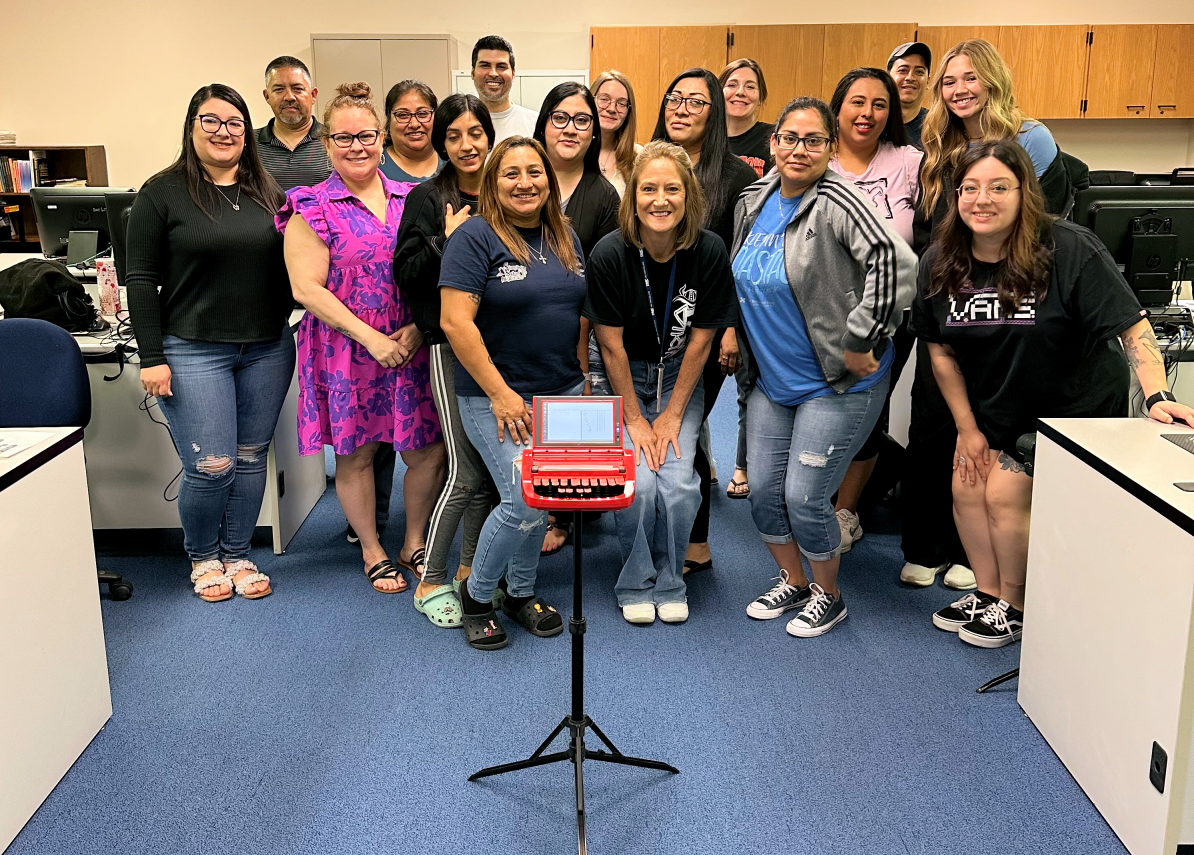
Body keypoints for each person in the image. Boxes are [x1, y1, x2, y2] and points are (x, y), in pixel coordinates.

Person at [911, 140, 1194, 648]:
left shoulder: (1069, 248)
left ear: (1025, 193)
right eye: (970, 188)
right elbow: (941, 353)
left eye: (1000, 187)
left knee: (1002, 493)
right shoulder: (940, 260)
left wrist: (1156, 396)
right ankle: (991, 593)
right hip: (995, 404)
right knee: (965, 486)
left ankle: (1017, 605)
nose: (982, 199)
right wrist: (968, 430)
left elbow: (1133, 328)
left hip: (1070, 410)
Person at [737, 97, 916, 638]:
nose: (799, 149)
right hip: (773, 379)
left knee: (804, 495)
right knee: (764, 493)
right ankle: (792, 581)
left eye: (813, 140)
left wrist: (864, 335)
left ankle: (829, 595)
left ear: (829, 149)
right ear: (773, 143)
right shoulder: (752, 200)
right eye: (789, 138)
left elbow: (895, 263)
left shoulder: (840, 200)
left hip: (836, 380)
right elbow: (739, 276)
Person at [900, 38, 1065, 591]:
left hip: (1011, 308)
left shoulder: (1029, 139)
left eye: (970, 78)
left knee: (993, 428)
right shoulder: (938, 148)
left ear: (993, 80)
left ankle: (981, 560)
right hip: (950, 302)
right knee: (934, 423)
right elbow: (932, 230)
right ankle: (928, 544)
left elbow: (1045, 227)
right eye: (948, 81)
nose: (959, 89)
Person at [126, 83, 293, 603]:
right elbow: (139, 279)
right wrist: (151, 356)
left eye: (235, 123)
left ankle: (239, 552)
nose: (224, 132)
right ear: (191, 127)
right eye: (212, 121)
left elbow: (297, 266)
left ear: (248, 131)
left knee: (248, 457)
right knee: (210, 464)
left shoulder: (269, 193)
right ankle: (203, 556)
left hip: (267, 345)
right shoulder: (162, 192)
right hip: (193, 349)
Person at [278, 82, 445, 596]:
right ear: (326, 142)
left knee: (428, 450)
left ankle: (413, 540)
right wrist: (372, 339)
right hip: (347, 349)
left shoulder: (412, 198)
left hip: (410, 342)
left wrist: (417, 329)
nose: (358, 146)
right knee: (358, 454)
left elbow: (436, 270)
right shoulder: (311, 205)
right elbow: (306, 288)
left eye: (367, 135)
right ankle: (372, 547)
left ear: (382, 138)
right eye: (345, 137)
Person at [439, 136, 586, 650]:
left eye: (535, 173)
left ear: (549, 179)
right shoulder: (475, 238)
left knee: (546, 498)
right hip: (497, 397)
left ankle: (521, 593)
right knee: (524, 498)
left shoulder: (563, 234)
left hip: (563, 391)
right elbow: (455, 323)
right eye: (511, 174)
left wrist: (582, 381)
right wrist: (501, 393)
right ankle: (478, 596)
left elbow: (577, 314)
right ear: (492, 184)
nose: (525, 183)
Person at [586, 141, 737, 624]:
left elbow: (701, 342)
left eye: (672, 188)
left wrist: (671, 413)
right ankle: (634, 579)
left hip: (679, 374)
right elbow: (611, 347)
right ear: (632, 197)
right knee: (636, 480)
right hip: (623, 374)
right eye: (648, 188)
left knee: (677, 483)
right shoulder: (610, 252)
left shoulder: (708, 249)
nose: (660, 199)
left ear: (688, 195)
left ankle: (670, 579)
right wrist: (633, 417)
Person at [393, 93, 497, 626]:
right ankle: (432, 576)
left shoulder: (504, 190)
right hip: (447, 343)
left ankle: (468, 571)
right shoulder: (427, 197)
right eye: (453, 135)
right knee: (464, 466)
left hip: (499, 347)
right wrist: (445, 242)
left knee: (486, 469)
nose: (465, 144)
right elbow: (405, 272)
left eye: (474, 133)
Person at [651, 68, 757, 575]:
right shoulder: (645, 163)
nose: (682, 109)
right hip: (647, 326)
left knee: (685, 427)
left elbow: (741, 257)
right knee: (654, 427)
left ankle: (696, 540)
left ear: (715, 112)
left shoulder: (736, 178)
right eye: (675, 98)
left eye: (695, 101)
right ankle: (656, 527)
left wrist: (731, 327)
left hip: (707, 327)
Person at [826, 67, 923, 553]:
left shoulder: (910, 162)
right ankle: (815, 498)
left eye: (880, 104)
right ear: (837, 107)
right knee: (822, 406)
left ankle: (847, 510)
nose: (867, 113)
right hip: (819, 315)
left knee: (869, 411)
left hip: (886, 319)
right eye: (857, 102)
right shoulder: (817, 160)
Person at [532, 81, 622, 556]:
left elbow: (599, 279)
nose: (570, 128)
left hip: (579, 331)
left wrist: (582, 354)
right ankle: (530, 503)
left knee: (569, 421)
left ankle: (562, 512)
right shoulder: (520, 176)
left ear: (595, 134)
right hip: (520, 327)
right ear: (544, 123)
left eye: (582, 120)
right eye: (560, 117)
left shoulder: (603, 195)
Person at [257, 56, 332, 191]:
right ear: (267, 96)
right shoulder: (247, 143)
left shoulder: (335, 140)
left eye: (297, 88)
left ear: (313, 95)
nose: (289, 97)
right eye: (279, 89)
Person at [470, 35, 537, 142]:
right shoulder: (458, 123)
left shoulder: (534, 123)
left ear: (513, 73)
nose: (493, 73)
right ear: (472, 72)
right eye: (485, 65)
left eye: (501, 66)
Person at [380, 79, 443, 183]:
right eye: (403, 115)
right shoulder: (375, 167)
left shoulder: (453, 162)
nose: (414, 124)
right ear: (388, 121)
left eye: (422, 114)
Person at [720, 58, 774, 178]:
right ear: (718, 93)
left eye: (750, 87)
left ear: (761, 97)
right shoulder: (703, 137)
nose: (740, 92)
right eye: (732, 85)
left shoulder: (775, 138)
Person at [591, 70, 640, 197]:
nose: (612, 109)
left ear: (629, 111)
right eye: (604, 99)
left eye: (621, 103)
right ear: (590, 101)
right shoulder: (574, 150)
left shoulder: (638, 157)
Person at [887, 43, 931, 150]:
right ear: (888, 78)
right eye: (903, 70)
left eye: (919, 72)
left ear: (928, 81)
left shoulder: (937, 126)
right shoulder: (875, 122)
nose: (910, 77)